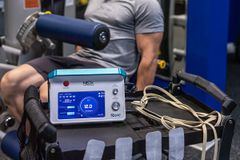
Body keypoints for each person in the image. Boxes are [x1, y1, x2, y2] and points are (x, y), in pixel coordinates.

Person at [0, 0, 164, 121]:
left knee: (47, 93)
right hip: (78, 59)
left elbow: (149, 57)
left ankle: (56, 148)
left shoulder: (146, 4)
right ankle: (35, 143)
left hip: (107, 68)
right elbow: (84, 33)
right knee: (11, 83)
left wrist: (138, 106)